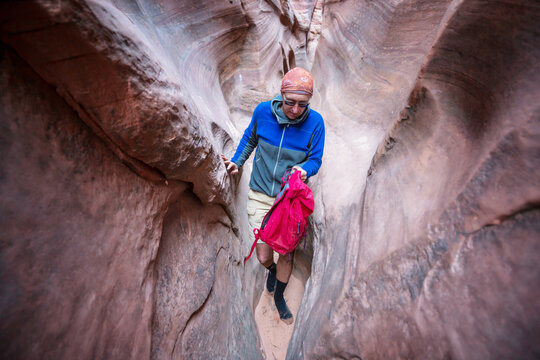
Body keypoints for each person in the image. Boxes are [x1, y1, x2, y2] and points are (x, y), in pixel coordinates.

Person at [222, 67, 325, 324]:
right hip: (260, 192)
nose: (295, 110)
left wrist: (305, 169)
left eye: (303, 104)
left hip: (288, 201)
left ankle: (279, 296)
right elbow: (249, 139)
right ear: (281, 95)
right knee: (264, 255)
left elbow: (315, 159)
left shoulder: (316, 123)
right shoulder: (263, 112)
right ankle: (272, 270)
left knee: (287, 253)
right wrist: (238, 161)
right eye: (290, 102)